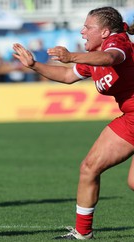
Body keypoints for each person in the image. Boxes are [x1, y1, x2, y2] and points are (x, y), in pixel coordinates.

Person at [12, 6, 134, 240]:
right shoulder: (94, 56)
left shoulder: (117, 43)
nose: (82, 31)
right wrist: (34, 65)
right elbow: (68, 76)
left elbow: (111, 58)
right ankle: (83, 233)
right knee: (89, 168)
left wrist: (71, 56)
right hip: (130, 118)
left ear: (106, 32)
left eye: (88, 27)